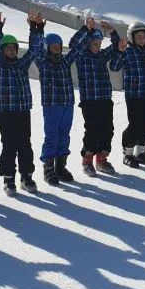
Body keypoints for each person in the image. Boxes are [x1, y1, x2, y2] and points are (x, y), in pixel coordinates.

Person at [0, 10, 42, 195]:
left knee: (25, 144)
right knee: (9, 145)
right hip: (6, 113)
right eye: (8, 48)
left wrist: (35, 28)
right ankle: (8, 179)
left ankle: (26, 176)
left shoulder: (21, 65)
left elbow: (34, 50)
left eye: (14, 48)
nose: (11, 51)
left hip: (22, 111)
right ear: (3, 50)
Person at [35, 18, 93, 186]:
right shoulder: (43, 63)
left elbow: (78, 48)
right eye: (53, 47)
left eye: (58, 47)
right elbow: (36, 49)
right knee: (51, 136)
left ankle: (61, 166)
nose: (56, 50)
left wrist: (86, 30)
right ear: (47, 48)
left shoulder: (65, 62)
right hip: (52, 106)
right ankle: (48, 168)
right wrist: (38, 29)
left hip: (67, 105)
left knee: (64, 136)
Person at [69, 19, 120, 177]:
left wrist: (112, 31)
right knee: (92, 130)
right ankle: (87, 160)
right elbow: (73, 43)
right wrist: (86, 28)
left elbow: (117, 45)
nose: (97, 47)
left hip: (105, 99)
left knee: (107, 129)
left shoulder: (102, 56)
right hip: (90, 101)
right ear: (88, 44)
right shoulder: (82, 56)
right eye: (94, 44)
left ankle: (101, 159)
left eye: (99, 44)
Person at [110, 20, 145, 168]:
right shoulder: (128, 51)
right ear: (132, 38)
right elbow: (114, 67)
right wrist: (119, 52)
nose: (141, 39)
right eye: (138, 37)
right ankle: (128, 153)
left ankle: (141, 152)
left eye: (143, 37)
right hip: (134, 95)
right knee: (135, 124)